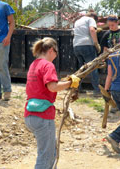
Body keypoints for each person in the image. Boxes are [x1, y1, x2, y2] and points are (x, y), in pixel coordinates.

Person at [24, 37, 80, 169]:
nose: (56, 56)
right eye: (56, 52)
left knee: (51, 152)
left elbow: (47, 85)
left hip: (30, 115)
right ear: (50, 50)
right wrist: (71, 83)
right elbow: (53, 87)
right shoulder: (48, 65)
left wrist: (66, 81)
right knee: (45, 157)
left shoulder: (34, 65)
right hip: (43, 116)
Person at [73, 11, 101, 96]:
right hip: (87, 44)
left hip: (76, 46)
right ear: (94, 17)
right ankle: (97, 90)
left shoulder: (77, 21)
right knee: (93, 67)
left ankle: (78, 88)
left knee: (81, 68)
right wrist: (96, 43)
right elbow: (92, 30)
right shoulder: (90, 19)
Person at [101, 15, 120, 113]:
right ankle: (108, 97)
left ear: (117, 23)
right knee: (110, 77)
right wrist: (103, 58)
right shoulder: (107, 34)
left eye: (113, 25)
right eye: (109, 25)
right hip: (111, 60)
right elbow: (105, 48)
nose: (111, 27)